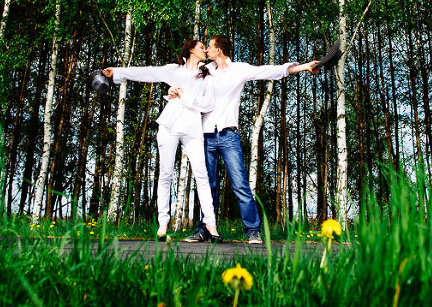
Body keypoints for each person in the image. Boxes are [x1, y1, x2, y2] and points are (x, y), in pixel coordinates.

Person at [182, 34, 318, 244]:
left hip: (228, 136)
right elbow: (185, 76)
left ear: (219, 50)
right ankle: (204, 230)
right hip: (206, 136)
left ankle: (253, 231)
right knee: (208, 186)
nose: (207, 50)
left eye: (210, 46)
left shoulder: (239, 70)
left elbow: (271, 71)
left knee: (240, 185)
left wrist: (303, 67)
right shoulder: (205, 71)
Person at [102, 40, 222, 243]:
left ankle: (211, 225)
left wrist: (183, 96)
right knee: (165, 174)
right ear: (191, 50)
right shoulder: (173, 71)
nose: (205, 50)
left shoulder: (206, 76)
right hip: (169, 126)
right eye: (202, 47)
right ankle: (163, 224)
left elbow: (208, 104)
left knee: (202, 175)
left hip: (192, 129)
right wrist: (117, 72)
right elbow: (147, 72)